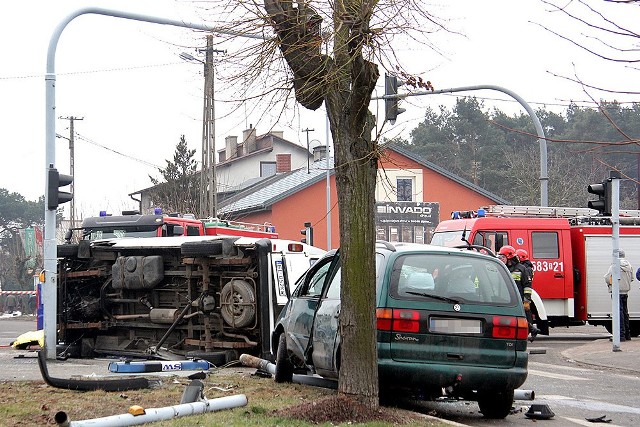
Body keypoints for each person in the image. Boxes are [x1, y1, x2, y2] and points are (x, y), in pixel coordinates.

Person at [498, 245, 540, 341]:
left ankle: (529, 330)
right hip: (505, 298)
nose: (501, 259)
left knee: (517, 318)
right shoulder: (503, 268)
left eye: (503, 257)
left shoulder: (521, 268)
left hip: (518, 298)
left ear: (509, 257)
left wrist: (526, 300)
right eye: (500, 257)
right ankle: (531, 329)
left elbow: (527, 286)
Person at [604, 249, 633, 341]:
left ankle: (620, 336)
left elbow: (608, 277)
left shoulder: (615, 265)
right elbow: (631, 278)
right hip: (625, 292)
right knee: (625, 313)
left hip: (617, 292)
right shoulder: (629, 265)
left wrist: (611, 283)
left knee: (618, 314)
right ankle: (627, 334)